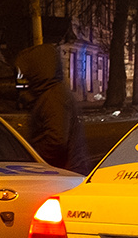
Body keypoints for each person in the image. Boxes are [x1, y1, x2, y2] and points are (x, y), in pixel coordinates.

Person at [17, 40, 89, 173]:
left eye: (27, 71)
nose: (24, 76)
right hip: (63, 171)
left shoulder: (54, 96)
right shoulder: (49, 93)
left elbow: (56, 140)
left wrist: (32, 156)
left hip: (63, 173)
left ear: (36, 69)